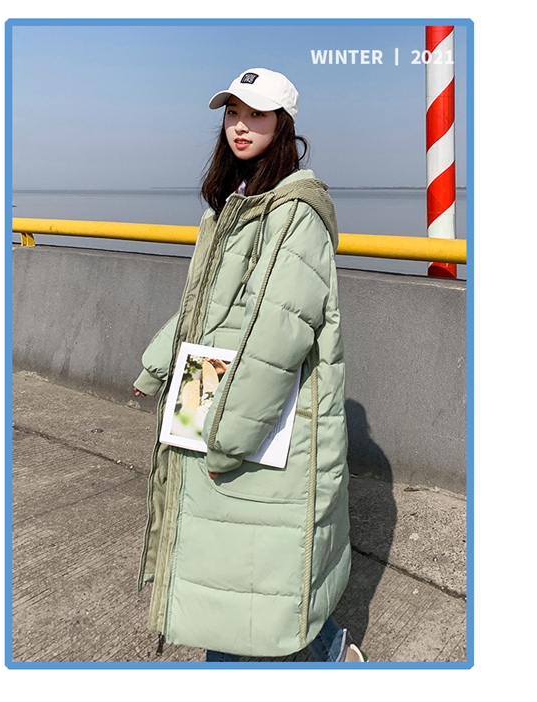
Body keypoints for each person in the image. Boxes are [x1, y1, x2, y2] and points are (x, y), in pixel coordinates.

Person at [133, 68, 366, 663]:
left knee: (254, 574)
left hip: (250, 411)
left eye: (255, 114)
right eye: (232, 113)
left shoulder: (295, 211)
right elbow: (204, 305)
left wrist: (227, 438)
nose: (240, 125)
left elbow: (276, 338)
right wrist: (159, 365)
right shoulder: (236, 204)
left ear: (282, 124)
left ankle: (326, 654)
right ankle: (326, 649)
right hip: (209, 388)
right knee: (227, 566)